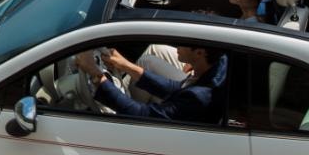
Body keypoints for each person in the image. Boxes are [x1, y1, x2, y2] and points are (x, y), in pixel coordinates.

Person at [74, 45, 227, 124]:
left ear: (200, 53)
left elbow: (142, 115)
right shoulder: (217, 66)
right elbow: (176, 88)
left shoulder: (198, 97)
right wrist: (126, 65)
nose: (177, 46)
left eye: (183, 43)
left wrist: (97, 75)